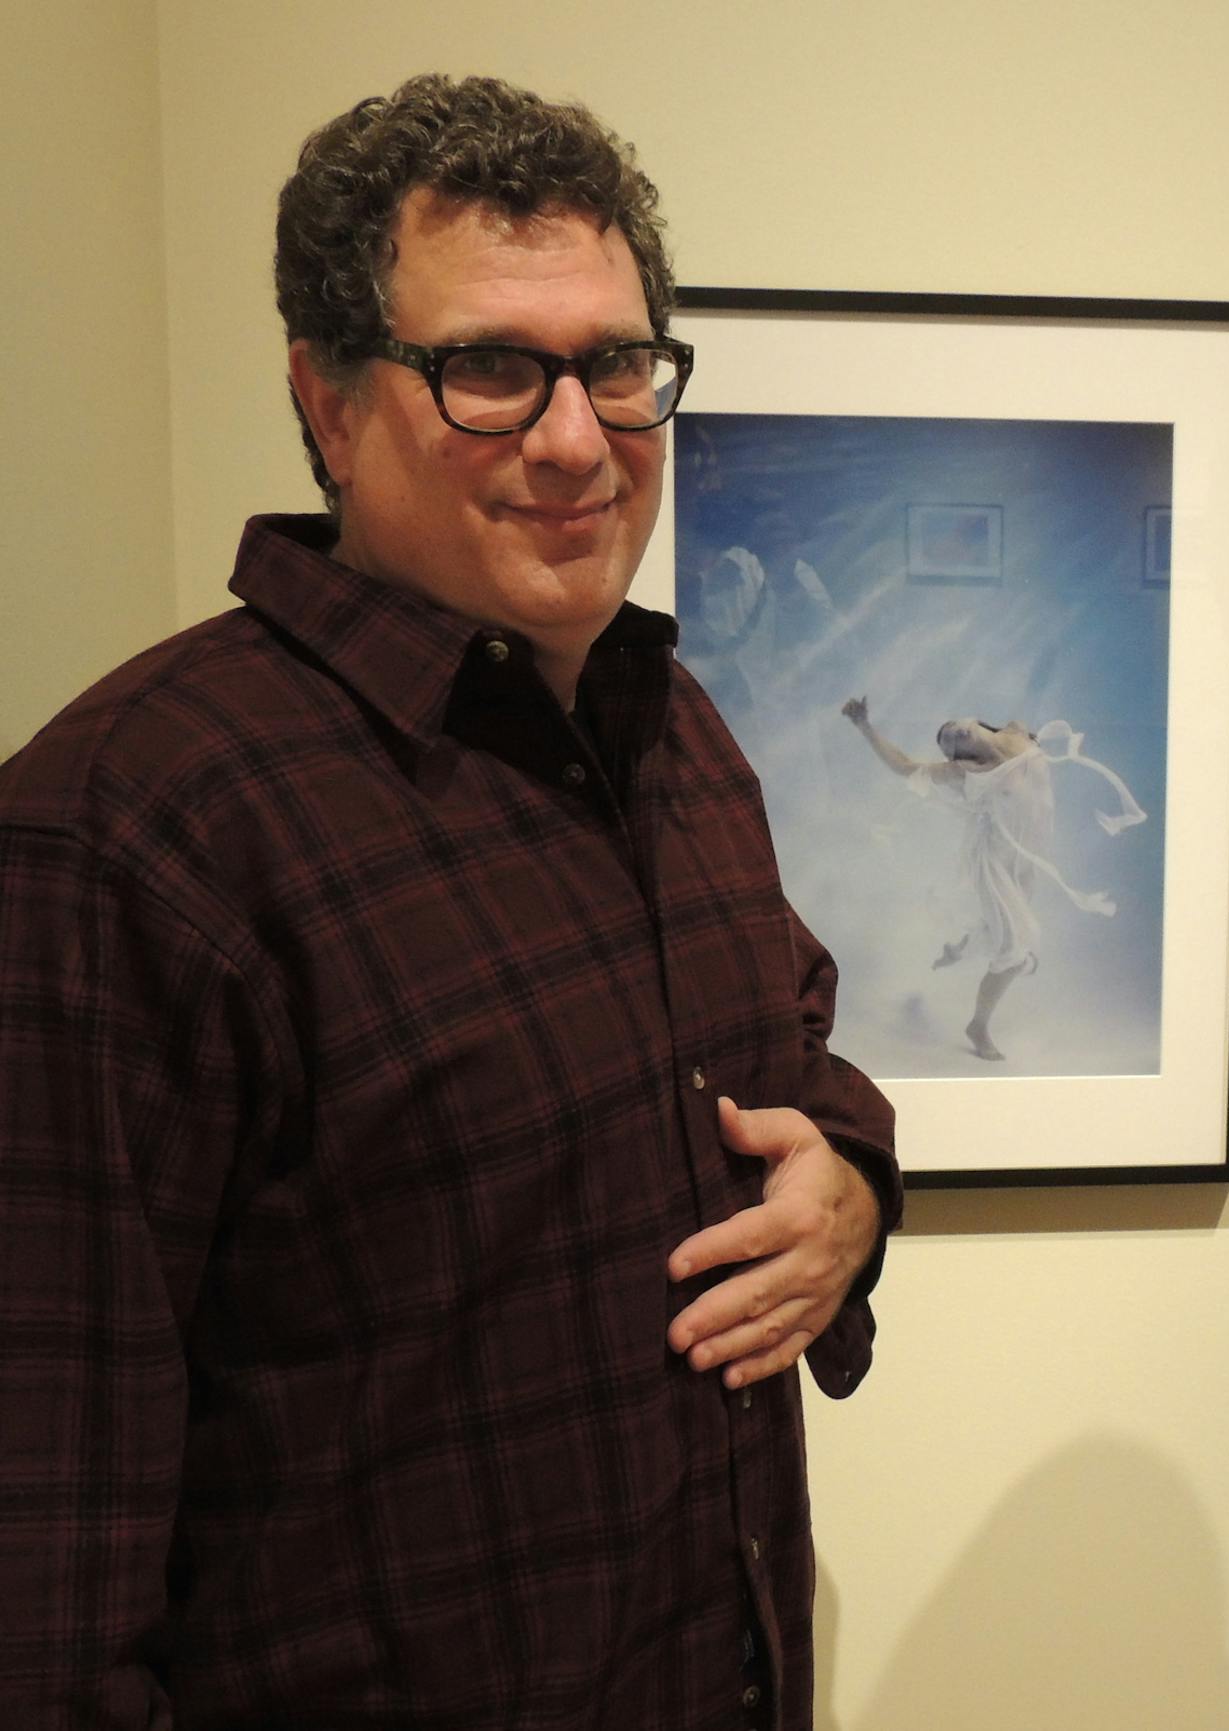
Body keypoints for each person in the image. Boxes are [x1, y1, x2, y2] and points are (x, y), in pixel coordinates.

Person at [0, 75, 899, 1730]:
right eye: (489, 368)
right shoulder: (127, 830)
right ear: (328, 403)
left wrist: (848, 1192)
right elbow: (40, 1556)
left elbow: (792, 1046)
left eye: (617, 366)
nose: (577, 438)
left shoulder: (671, 732)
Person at [840, 697, 1144, 1061]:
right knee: (1013, 954)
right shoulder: (972, 770)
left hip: (1025, 863)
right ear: (960, 757)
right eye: (948, 740)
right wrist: (864, 725)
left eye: (951, 725)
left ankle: (970, 946)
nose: (952, 732)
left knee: (1012, 937)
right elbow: (904, 766)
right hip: (995, 865)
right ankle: (978, 1026)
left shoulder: (1018, 731)